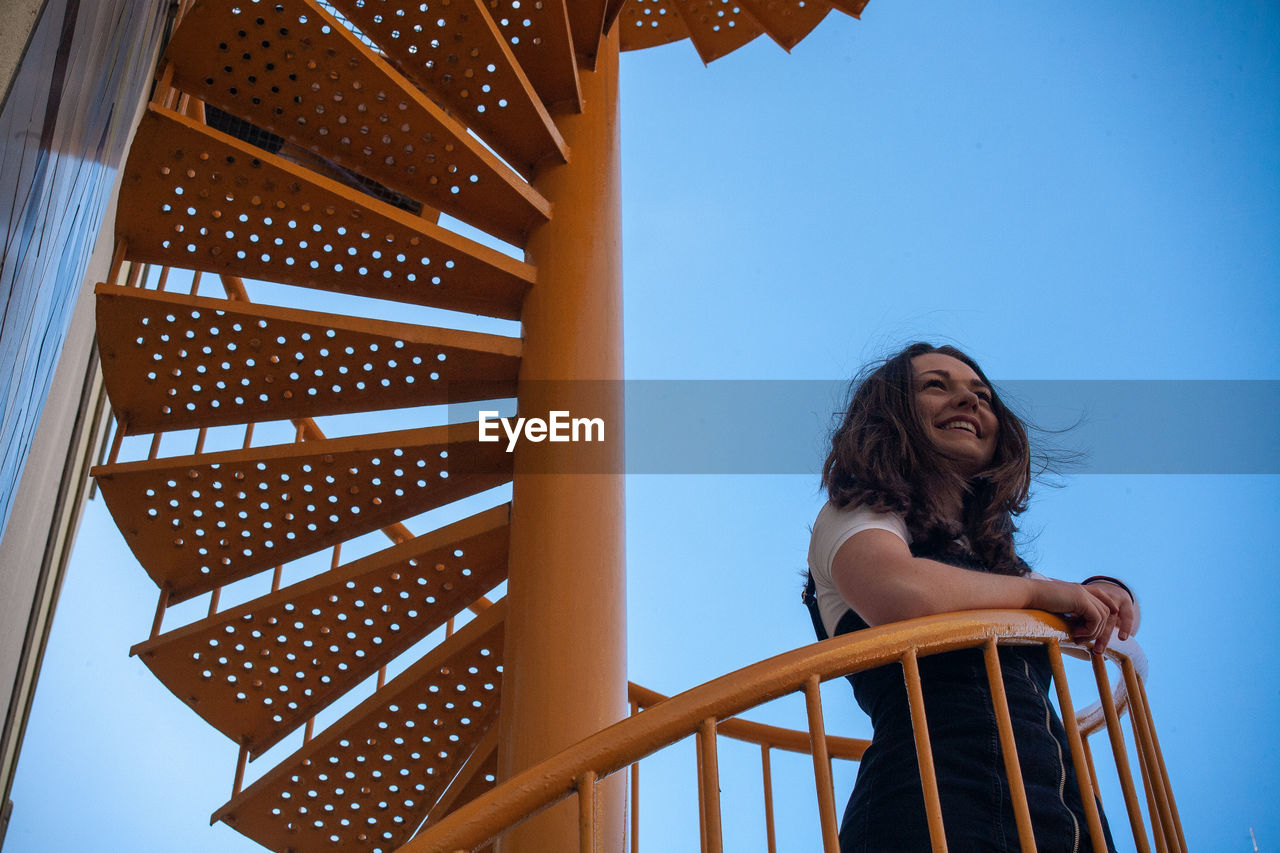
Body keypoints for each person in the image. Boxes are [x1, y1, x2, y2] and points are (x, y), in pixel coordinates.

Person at [803, 342, 1138, 853]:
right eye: (936, 385)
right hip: (932, 812)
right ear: (889, 414)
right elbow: (902, 591)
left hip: (1060, 815)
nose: (969, 401)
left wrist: (1108, 590)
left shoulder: (997, 566)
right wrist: (1040, 591)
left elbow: (1077, 601)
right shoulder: (854, 515)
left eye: (981, 395)